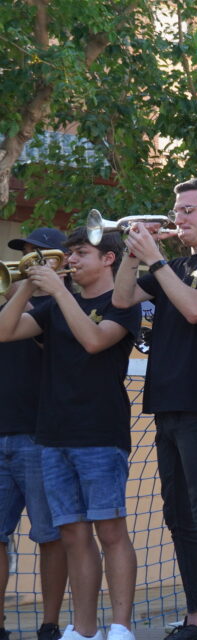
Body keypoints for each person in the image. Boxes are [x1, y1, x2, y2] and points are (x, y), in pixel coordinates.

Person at [112, 177, 197, 640]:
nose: (177, 218)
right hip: (166, 399)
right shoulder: (176, 262)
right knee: (176, 512)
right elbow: (121, 299)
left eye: (187, 210)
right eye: (176, 208)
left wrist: (154, 258)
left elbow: (194, 310)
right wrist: (133, 257)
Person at [0, 228, 142, 640]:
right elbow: (5, 331)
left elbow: (95, 340)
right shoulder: (55, 305)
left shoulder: (122, 303)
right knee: (74, 534)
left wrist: (59, 293)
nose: (72, 260)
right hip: (52, 435)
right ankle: (83, 629)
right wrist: (27, 287)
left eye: (81, 253)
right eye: (70, 254)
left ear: (109, 259)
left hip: (99, 433)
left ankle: (120, 627)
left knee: (111, 532)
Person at [0, 229, 69, 640]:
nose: (27, 264)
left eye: (36, 257)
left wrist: (33, 290)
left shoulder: (59, 307)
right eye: (24, 256)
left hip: (40, 436)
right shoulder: (12, 303)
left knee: (50, 535)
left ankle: (49, 624)